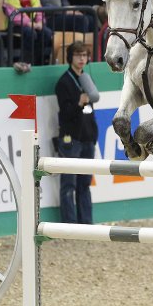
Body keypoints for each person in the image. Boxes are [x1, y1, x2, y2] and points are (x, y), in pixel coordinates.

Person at [55, 41, 99, 224]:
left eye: (84, 55)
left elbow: (91, 109)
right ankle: (69, 225)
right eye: (78, 55)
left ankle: (86, 224)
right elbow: (64, 114)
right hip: (71, 139)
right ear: (70, 58)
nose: (82, 59)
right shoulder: (63, 82)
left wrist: (94, 134)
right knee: (68, 185)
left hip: (88, 137)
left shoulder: (87, 79)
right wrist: (78, 103)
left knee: (84, 184)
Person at [4, 0, 53, 69]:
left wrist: (40, 22)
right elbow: (14, 16)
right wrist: (29, 23)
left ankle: (37, 61)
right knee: (31, 33)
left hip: (33, 24)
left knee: (47, 33)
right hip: (15, 25)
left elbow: (39, 11)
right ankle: (24, 62)